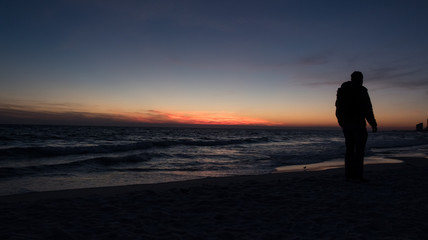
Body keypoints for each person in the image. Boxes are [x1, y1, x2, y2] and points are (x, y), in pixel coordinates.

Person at [335, 71, 377, 181]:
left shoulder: (342, 90)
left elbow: (338, 108)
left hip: (347, 125)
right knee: (359, 151)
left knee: (349, 150)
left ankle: (349, 175)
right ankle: (357, 175)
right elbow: (368, 109)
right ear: (360, 79)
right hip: (358, 124)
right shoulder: (361, 90)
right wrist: (373, 124)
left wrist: (341, 122)